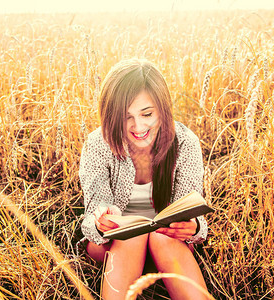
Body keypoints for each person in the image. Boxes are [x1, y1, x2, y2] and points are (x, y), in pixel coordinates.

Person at [78, 58, 209, 299]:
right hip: (111, 246)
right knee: (133, 235)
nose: (138, 126)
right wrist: (100, 220)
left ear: (162, 108)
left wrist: (193, 227)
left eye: (146, 113)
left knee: (161, 238)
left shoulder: (185, 142)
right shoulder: (98, 144)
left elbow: (192, 212)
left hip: (168, 246)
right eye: (126, 116)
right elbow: (92, 215)